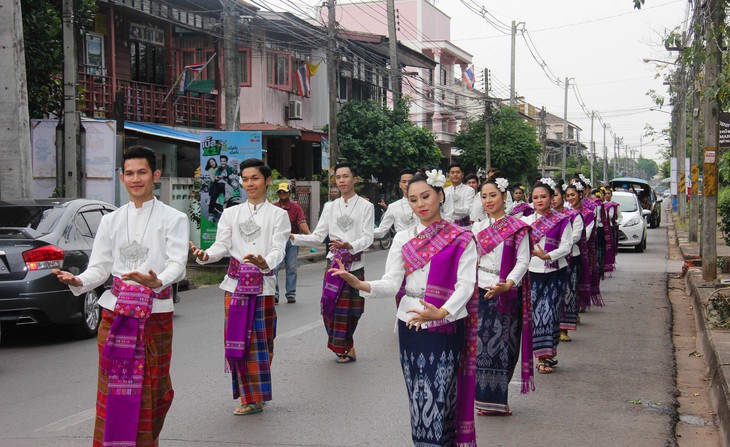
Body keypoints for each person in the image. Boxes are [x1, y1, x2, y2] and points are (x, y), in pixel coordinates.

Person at [328, 168, 478, 446]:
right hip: (410, 322)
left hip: (445, 323)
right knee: (418, 393)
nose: (420, 204)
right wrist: (359, 284)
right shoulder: (403, 238)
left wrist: (442, 312)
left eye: (426, 196)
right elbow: (391, 282)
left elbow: (466, 285)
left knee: (442, 391)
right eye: (413, 199)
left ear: (440, 195)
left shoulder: (462, 238)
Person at [53, 146, 189, 446]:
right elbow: (99, 269)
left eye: (142, 172)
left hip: (155, 313)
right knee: (114, 388)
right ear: (121, 177)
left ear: (155, 175)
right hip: (115, 315)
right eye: (129, 173)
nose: (135, 179)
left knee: (155, 390)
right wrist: (78, 280)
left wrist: (156, 281)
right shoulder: (110, 221)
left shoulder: (174, 218)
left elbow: (177, 265)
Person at [190, 158, 289, 415]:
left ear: (267, 181)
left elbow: (278, 247)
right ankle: (249, 396)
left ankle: (258, 391)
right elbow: (221, 246)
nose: (249, 183)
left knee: (264, 342)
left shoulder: (279, 215)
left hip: (264, 287)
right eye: (245, 179)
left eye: (254, 178)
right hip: (235, 287)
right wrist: (206, 255)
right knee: (238, 341)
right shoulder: (231, 213)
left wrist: (264, 261)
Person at [292, 162, 374, 363]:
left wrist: (350, 245)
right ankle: (345, 347)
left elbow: (368, 237)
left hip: (355, 266)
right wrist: (292, 237)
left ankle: (347, 344)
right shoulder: (330, 207)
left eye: (346, 176)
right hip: (334, 266)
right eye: (338, 177)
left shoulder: (366, 206)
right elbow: (318, 236)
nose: (342, 181)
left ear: (355, 179)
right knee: (331, 308)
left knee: (353, 310)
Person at [472, 177, 533, 416]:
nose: (488, 200)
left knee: (506, 346)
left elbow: (523, 260)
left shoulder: (517, 227)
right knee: (481, 347)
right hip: (481, 291)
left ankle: (499, 396)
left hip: (506, 292)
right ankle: (486, 400)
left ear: (504, 196)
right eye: (484, 196)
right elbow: (470, 261)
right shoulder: (477, 229)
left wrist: (507, 284)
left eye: (493, 195)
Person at [521, 178, 573, 374]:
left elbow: (567, 246)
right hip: (531, 272)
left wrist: (547, 255)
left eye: (543, 196)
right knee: (536, 314)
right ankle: (542, 356)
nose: (540, 200)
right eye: (535, 197)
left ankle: (547, 355)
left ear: (552, 198)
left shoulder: (562, 220)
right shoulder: (525, 221)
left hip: (555, 271)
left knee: (549, 313)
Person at [553, 183, 584, 343]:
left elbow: (576, 236)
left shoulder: (572, 215)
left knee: (567, 292)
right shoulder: (541, 217)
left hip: (570, 257)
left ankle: (564, 328)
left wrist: (557, 246)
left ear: (561, 197)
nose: (553, 199)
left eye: (556, 195)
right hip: (546, 261)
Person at [272, 182, 311, 304]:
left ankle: (291, 293)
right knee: (274, 268)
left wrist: (310, 235)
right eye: (280, 192)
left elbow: (301, 221)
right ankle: (274, 294)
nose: (282, 194)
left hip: (292, 240)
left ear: (289, 193)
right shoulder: (273, 208)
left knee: (292, 267)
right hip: (277, 240)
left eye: (284, 192)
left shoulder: (296, 207)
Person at [374, 168, 417, 239]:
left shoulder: (425, 204)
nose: (406, 184)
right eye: (404, 181)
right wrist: (362, 233)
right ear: (400, 185)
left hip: (423, 245)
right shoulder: (393, 206)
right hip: (401, 246)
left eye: (410, 181)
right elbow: (382, 231)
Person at [443, 162, 476, 226]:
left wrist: (449, 208)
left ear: (462, 174)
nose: (455, 175)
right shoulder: (445, 191)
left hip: (464, 225)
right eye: (452, 173)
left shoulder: (469, 190)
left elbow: (467, 210)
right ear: (448, 175)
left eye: (458, 172)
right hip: (448, 225)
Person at [602, 187, 621, 276]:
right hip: (602, 227)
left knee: (611, 246)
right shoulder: (600, 205)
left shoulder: (614, 205)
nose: (607, 195)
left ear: (611, 195)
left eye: (609, 193)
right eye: (605, 193)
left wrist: (617, 222)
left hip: (610, 227)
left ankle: (610, 264)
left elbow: (619, 216)